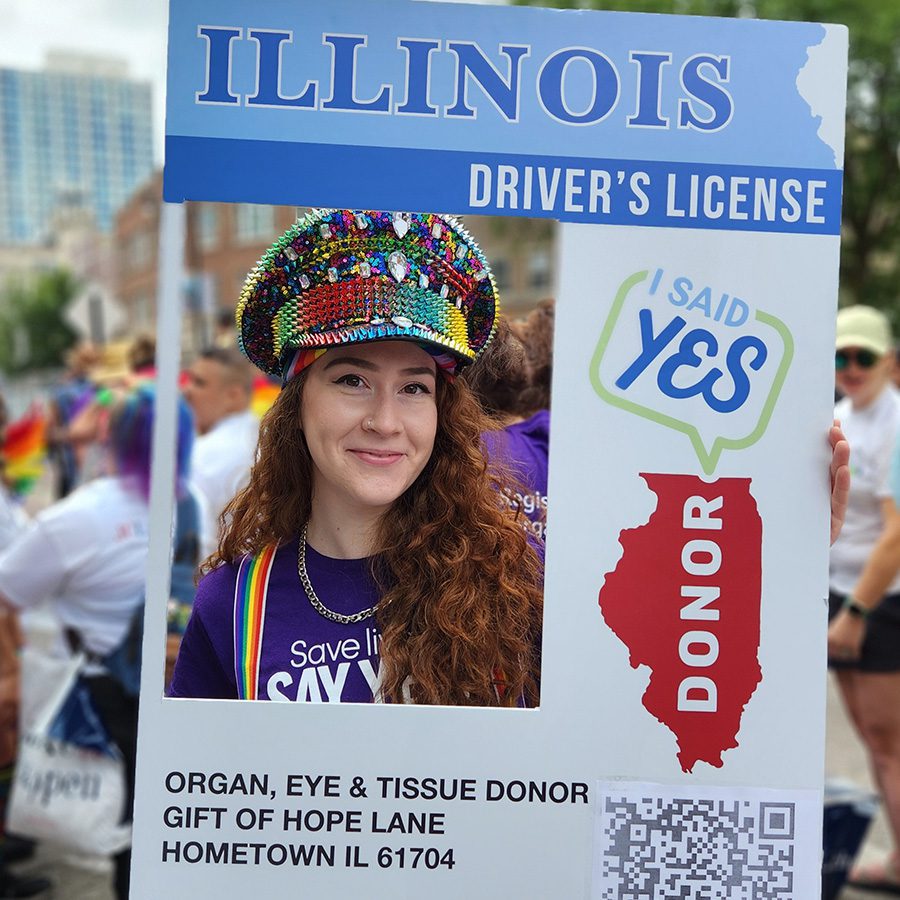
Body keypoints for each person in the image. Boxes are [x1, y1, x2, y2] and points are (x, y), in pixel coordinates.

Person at [169, 209, 544, 705]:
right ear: (297, 402)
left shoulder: (512, 582)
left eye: (414, 387)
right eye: (352, 381)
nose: (385, 422)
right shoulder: (232, 608)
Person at [0, 385, 194, 900]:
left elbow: (5, 592)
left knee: (114, 815)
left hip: (98, 692)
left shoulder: (74, 518)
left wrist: (11, 671)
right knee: (155, 816)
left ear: (113, 436)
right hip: (174, 682)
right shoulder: (191, 504)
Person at [825, 305, 900, 894]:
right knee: (873, 738)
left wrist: (856, 613)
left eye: (863, 357)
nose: (851, 367)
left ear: (889, 361)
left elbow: (897, 534)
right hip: (838, 595)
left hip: (878, 605)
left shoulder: (896, 424)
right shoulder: (842, 415)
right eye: (840, 355)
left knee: (888, 740)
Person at [182, 346, 259, 559]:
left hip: (228, 581)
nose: (187, 391)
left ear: (233, 396)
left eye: (199, 383)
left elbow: (197, 548)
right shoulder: (268, 439)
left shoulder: (200, 455)